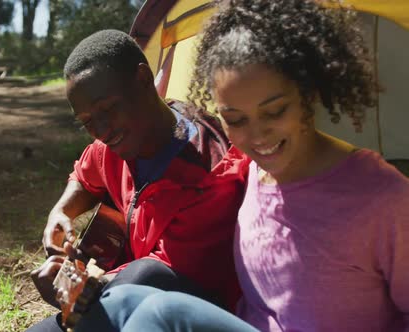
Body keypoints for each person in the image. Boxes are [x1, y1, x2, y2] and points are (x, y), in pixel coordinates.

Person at [74, 1, 409, 331]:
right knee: (126, 301)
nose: (257, 135)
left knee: (158, 312)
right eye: (235, 119)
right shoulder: (251, 175)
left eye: (275, 111)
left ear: (309, 92)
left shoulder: (381, 198)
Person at [27, 29, 249, 331]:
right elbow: (84, 174)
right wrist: (61, 212)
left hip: (190, 312)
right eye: (88, 122)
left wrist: (78, 287)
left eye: (108, 109)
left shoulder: (209, 175)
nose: (102, 130)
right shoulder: (119, 143)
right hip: (126, 290)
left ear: (144, 80)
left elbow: (161, 276)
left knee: (144, 275)